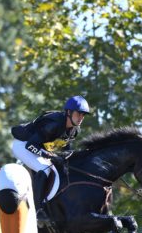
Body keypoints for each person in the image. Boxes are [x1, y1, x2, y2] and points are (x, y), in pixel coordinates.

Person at [10, 96, 90, 224]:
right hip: (23, 145)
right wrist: (50, 156)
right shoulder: (54, 124)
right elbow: (30, 145)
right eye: (79, 114)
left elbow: (65, 151)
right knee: (45, 170)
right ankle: (37, 211)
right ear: (69, 112)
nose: (81, 118)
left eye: (83, 115)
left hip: (38, 147)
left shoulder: (74, 131)